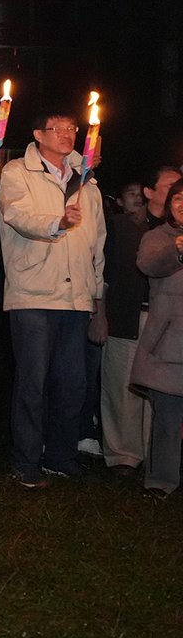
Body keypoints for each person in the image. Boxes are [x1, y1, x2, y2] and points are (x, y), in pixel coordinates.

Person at [0, 111, 106, 487]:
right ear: (38, 133)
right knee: (33, 382)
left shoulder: (86, 180)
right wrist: (57, 222)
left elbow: (98, 243)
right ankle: (25, 461)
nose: (67, 135)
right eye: (58, 129)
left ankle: (61, 455)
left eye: (72, 129)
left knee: (73, 382)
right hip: (34, 293)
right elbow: (17, 215)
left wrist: (98, 295)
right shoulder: (17, 172)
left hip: (76, 297)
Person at [93, 165, 178, 476]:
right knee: (122, 385)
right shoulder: (122, 227)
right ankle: (123, 455)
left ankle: (152, 452)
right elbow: (105, 272)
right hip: (127, 315)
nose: (173, 192)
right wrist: (99, 313)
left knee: (158, 390)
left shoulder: (177, 230)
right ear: (149, 192)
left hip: (165, 324)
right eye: (167, 186)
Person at [131, 178, 183, 498]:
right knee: (167, 420)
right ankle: (161, 483)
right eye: (177, 198)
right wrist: (177, 249)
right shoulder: (157, 237)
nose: (182, 204)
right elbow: (148, 265)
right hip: (168, 346)